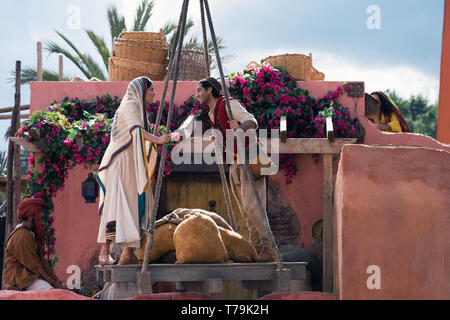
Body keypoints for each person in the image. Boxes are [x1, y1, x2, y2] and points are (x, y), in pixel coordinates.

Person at [195, 77, 274, 262]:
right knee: (245, 210)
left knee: (253, 208)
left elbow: (252, 121)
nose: (196, 95)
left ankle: (270, 248)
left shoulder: (228, 104)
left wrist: (239, 127)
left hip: (250, 157)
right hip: (236, 161)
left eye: (199, 90)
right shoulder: (212, 113)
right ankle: (255, 247)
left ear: (209, 90)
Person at [97, 76, 171, 265]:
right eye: (151, 89)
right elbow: (135, 131)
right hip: (121, 163)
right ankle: (104, 253)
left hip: (130, 164)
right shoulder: (130, 105)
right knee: (116, 206)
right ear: (141, 91)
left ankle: (127, 253)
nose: (154, 93)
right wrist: (159, 140)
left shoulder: (136, 108)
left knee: (137, 203)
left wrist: (155, 140)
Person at [2, 198, 63, 290]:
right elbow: (34, 265)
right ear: (31, 216)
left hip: (27, 274)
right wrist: (54, 284)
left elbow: (41, 261)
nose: (41, 216)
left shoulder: (29, 233)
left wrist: (56, 280)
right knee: (50, 292)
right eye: (39, 214)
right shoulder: (22, 235)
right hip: (18, 278)